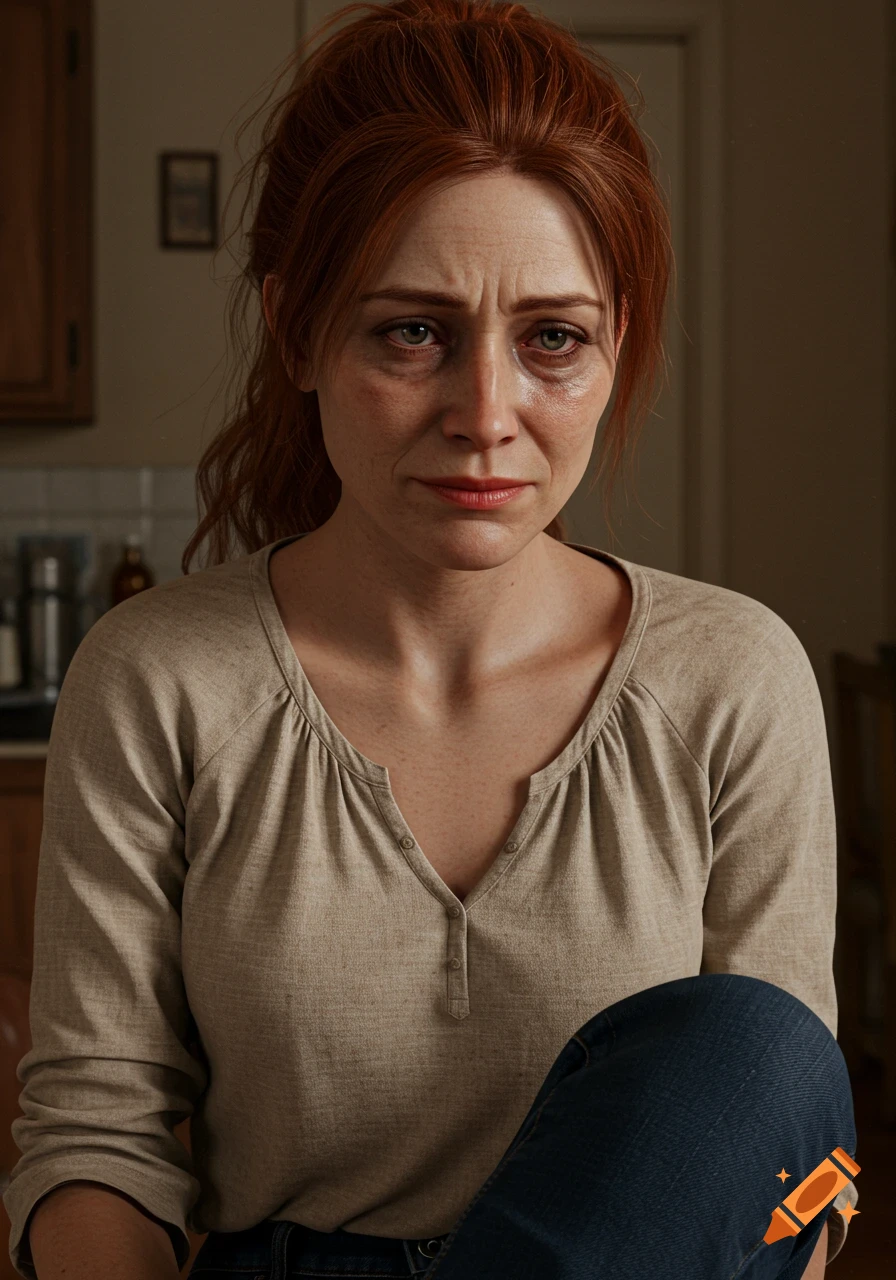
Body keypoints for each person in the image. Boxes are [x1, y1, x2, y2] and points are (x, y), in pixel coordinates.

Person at [4, 2, 858, 1278]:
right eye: (413, 331)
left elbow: (772, 1163)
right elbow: (97, 1140)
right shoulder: (157, 677)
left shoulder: (733, 677)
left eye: (551, 340)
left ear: (615, 343)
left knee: (756, 1048)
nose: (486, 413)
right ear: (296, 327)